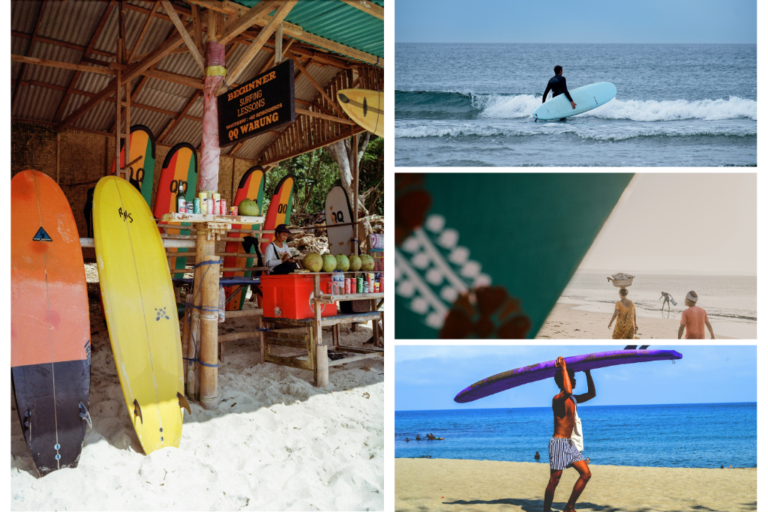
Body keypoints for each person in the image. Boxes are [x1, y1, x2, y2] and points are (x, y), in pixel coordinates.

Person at [543, 357, 596, 512]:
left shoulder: (573, 398)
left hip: (569, 444)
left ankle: (569, 507)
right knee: (554, 481)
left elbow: (592, 394)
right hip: (558, 443)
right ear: (564, 380)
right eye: (572, 379)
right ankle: (546, 510)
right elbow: (567, 390)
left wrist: (588, 373)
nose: (574, 381)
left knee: (586, 474)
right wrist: (563, 368)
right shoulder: (557, 399)